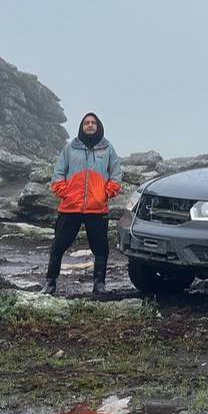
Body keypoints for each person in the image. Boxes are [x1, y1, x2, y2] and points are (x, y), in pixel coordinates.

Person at [46, 112, 122, 296]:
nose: (89, 125)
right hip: (71, 207)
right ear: (82, 126)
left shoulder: (108, 148)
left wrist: (105, 193)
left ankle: (99, 285)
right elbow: (58, 175)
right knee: (58, 245)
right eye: (86, 123)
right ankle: (50, 284)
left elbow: (116, 175)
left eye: (93, 122)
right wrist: (67, 193)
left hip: (96, 208)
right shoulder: (70, 148)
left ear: (98, 125)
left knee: (101, 247)